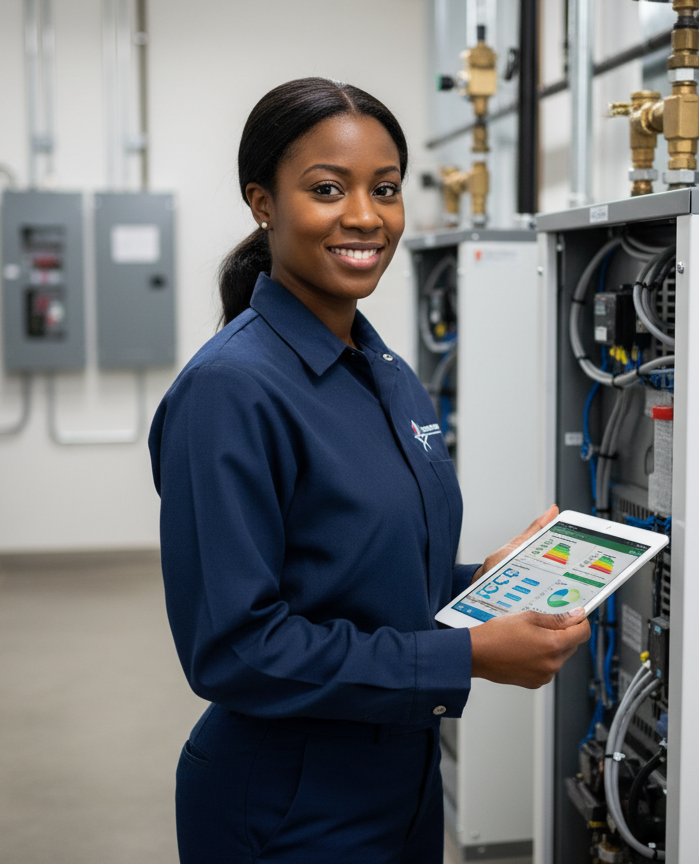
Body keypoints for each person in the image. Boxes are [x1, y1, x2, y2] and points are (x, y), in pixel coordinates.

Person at [148, 77, 590, 864]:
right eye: (327, 189)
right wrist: (468, 656)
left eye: (384, 189)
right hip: (290, 806)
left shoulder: (380, 366)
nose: (364, 215)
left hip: (402, 783)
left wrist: (478, 588)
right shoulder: (232, 391)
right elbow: (236, 647)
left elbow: (356, 575)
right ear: (262, 202)